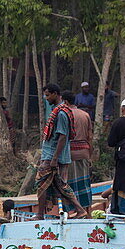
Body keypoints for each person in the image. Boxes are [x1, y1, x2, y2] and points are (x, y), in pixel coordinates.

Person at [36, 84, 86, 218]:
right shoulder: (56, 111)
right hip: (51, 154)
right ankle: (79, 209)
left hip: (53, 156)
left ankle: (40, 214)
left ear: (55, 94)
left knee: (42, 183)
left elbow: (63, 136)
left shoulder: (62, 113)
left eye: (48, 95)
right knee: (59, 185)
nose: (46, 98)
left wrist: (54, 158)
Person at [68, 99, 93, 210]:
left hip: (69, 153)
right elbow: (90, 137)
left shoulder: (65, 114)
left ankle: (70, 211)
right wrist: (90, 154)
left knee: (69, 184)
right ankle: (87, 212)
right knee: (84, 183)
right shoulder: (85, 115)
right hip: (84, 152)